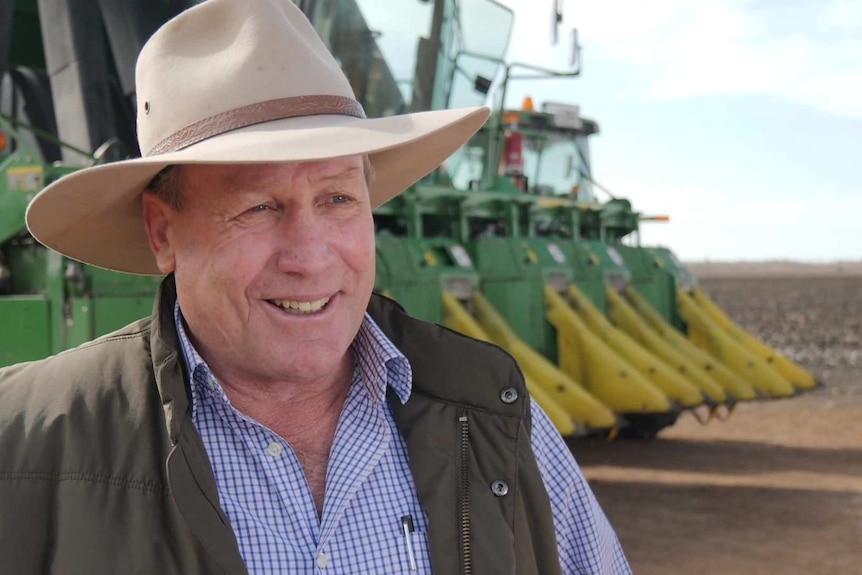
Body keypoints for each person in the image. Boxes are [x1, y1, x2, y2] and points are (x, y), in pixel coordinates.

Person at [0, 0, 631, 573]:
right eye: (259, 208)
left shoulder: (495, 421)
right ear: (163, 233)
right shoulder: (26, 445)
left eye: (337, 199)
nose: (310, 257)